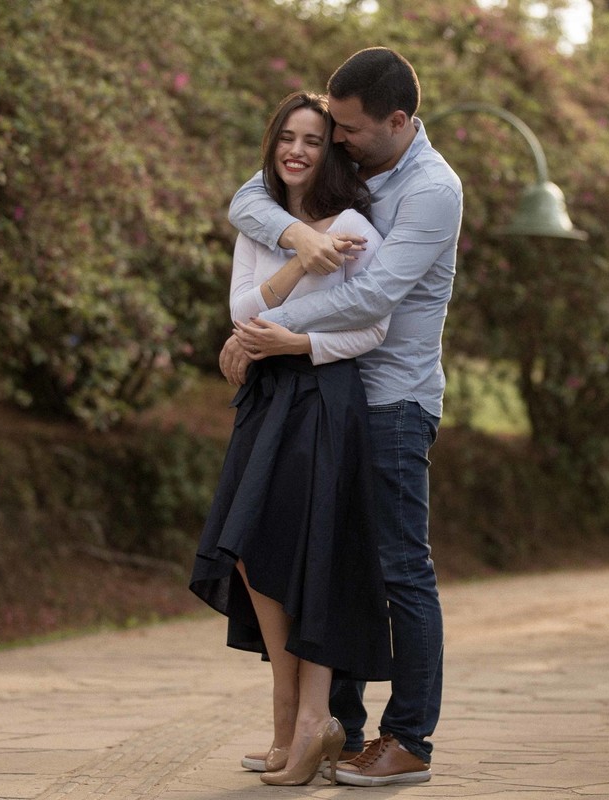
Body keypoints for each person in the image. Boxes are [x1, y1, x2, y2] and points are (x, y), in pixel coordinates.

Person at [221, 47, 463, 787]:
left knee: (398, 569)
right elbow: (250, 198)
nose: (336, 138)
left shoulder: (432, 189)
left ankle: (408, 737)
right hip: (335, 398)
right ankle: (339, 729)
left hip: (392, 400)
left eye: (349, 129)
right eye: (334, 126)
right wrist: (298, 239)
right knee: (337, 565)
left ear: (398, 121)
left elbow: (372, 299)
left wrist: (266, 333)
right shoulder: (356, 164)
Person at [189, 90, 392, 787]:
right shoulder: (265, 224)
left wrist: (297, 342)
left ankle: (309, 722)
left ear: (330, 147)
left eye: (312, 138)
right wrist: (303, 254)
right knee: (246, 547)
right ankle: (289, 706)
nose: (297, 150)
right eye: (287, 137)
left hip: (321, 396)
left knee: (311, 550)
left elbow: (374, 327)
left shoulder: (358, 228)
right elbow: (242, 310)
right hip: (265, 395)